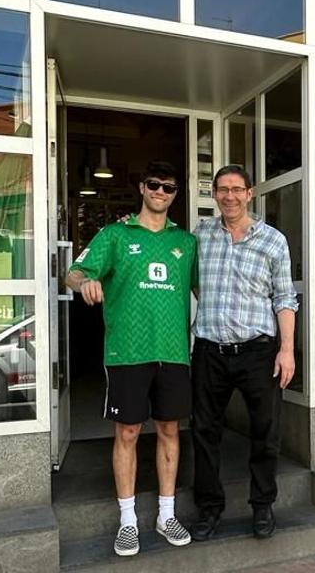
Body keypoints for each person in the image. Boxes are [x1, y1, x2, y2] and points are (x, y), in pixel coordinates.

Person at [64, 161, 197, 558]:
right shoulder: (115, 235)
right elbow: (72, 272)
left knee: (170, 429)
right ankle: (128, 522)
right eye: (154, 184)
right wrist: (85, 281)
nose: (160, 192)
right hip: (127, 352)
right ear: (142, 187)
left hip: (174, 352)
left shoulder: (186, 243)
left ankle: (166, 514)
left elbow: (206, 291)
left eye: (168, 187)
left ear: (175, 194)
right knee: (128, 433)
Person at [190, 164, 298, 541]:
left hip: (258, 352)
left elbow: (285, 298)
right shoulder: (200, 235)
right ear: (215, 194)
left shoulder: (272, 241)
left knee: (265, 432)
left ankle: (263, 505)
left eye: (237, 189)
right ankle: (208, 508)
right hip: (209, 351)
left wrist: (287, 350)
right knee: (204, 431)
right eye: (223, 189)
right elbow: (188, 280)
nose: (230, 196)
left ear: (250, 194)